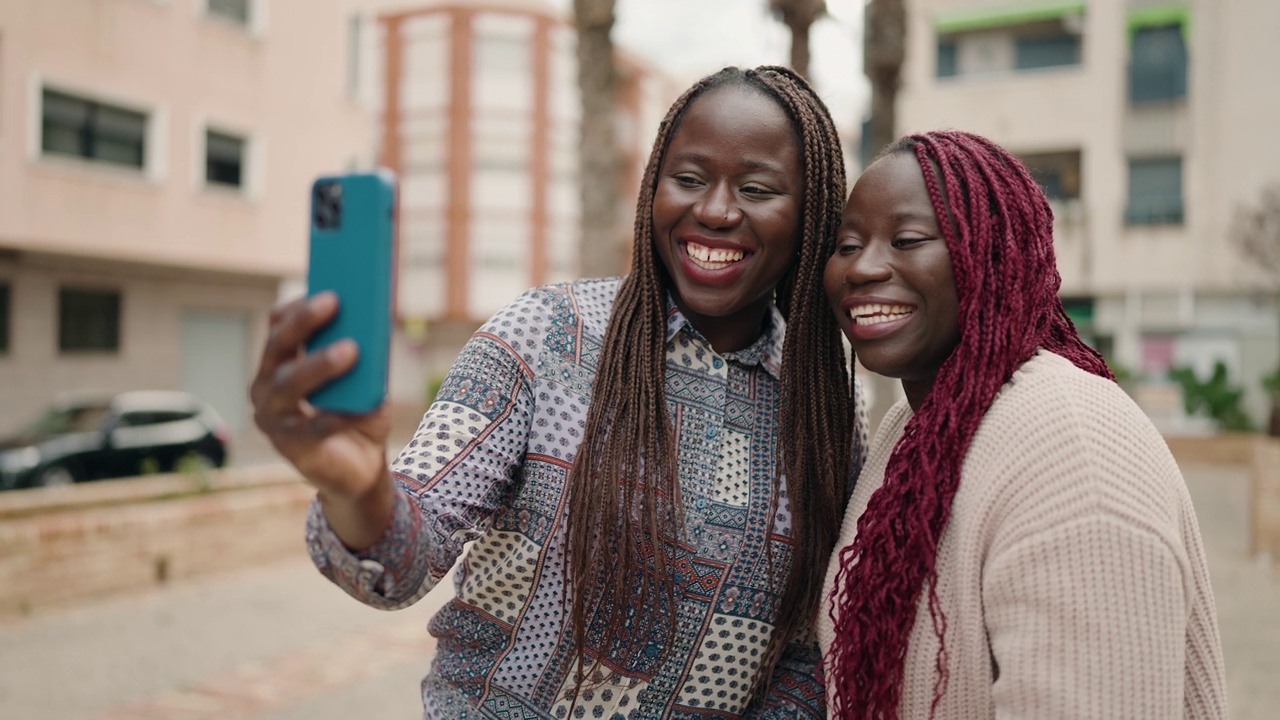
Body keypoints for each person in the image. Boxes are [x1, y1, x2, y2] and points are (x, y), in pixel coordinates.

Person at [251, 65, 865, 718]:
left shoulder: (823, 415)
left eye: (757, 188)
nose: (714, 210)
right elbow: (400, 563)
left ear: (812, 215)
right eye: (688, 179)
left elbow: (806, 652)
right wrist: (359, 487)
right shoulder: (545, 334)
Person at [817, 130, 1228, 719]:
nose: (862, 268)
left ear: (993, 254)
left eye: (907, 240)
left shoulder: (1073, 449)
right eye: (847, 245)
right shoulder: (913, 424)